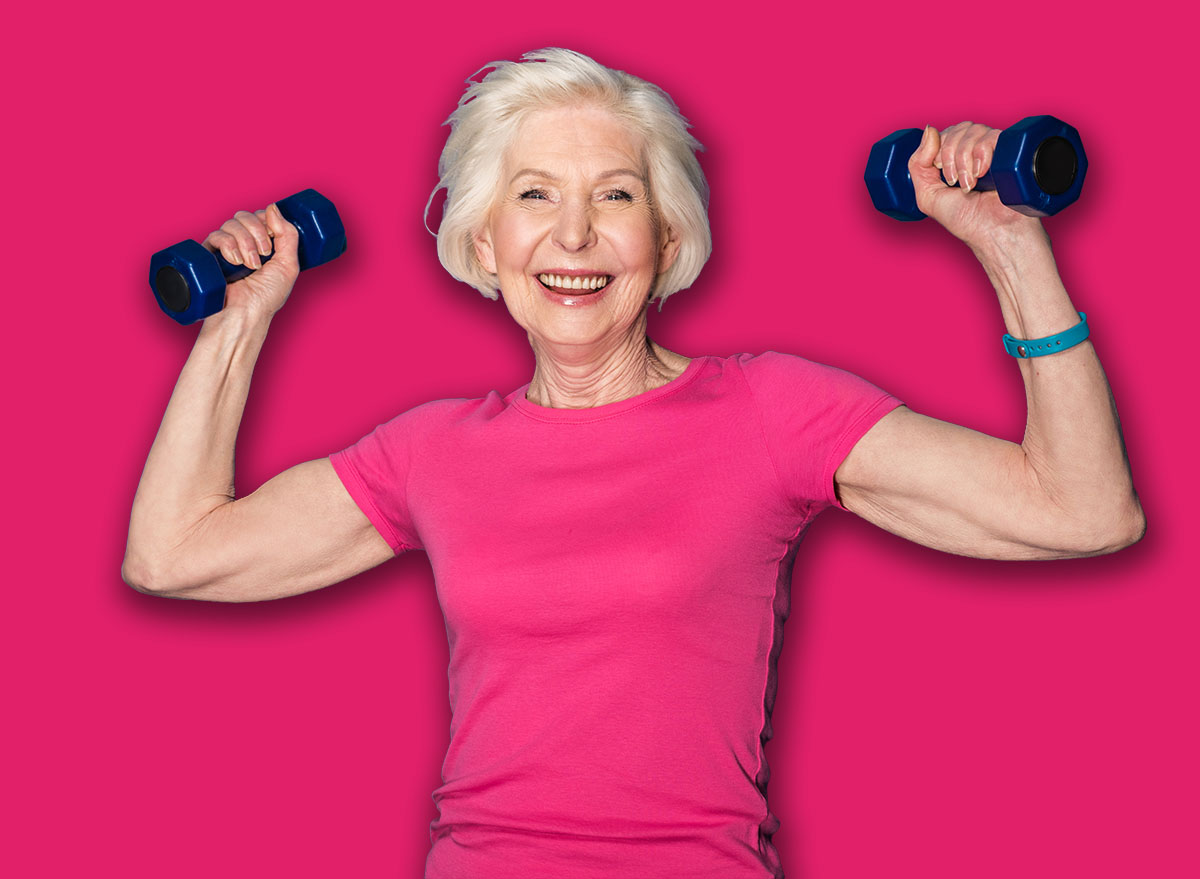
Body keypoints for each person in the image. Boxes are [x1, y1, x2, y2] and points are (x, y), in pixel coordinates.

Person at [123, 48, 1144, 879]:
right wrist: (235, 325)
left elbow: (1083, 511)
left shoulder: (771, 412)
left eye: (614, 195)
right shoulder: (428, 452)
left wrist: (1012, 248)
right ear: (485, 244)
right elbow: (173, 553)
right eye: (534, 195)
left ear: (665, 237)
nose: (574, 235)